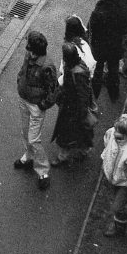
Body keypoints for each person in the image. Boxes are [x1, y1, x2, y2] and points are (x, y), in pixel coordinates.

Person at [13, 30, 58, 191]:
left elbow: (53, 90)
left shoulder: (47, 67)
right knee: (25, 133)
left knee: (33, 139)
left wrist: (42, 105)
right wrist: (20, 81)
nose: (29, 53)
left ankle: (43, 170)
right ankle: (29, 156)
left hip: (36, 106)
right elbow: (23, 70)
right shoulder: (29, 55)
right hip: (24, 100)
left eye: (32, 51)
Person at [50, 42, 95, 167]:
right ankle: (83, 150)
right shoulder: (79, 66)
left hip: (72, 109)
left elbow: (82, 95)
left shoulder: (76, 72)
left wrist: (81, 112)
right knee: (81, 132)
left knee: (66, 134)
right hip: (73, 107)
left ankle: (63, 157)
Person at [88, 0, 127, 102]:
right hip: (115, 47)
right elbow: (125, 29)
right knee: (114, 70)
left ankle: (95, 94)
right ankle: (114, 94)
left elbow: (91, 28)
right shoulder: (122, 11)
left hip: (99, 47)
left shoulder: (98, 11)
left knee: (98, 70)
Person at [58, 15, 96, 82]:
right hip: (89, 73)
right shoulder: (84, 42)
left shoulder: (69, 47)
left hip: (78, 77)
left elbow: (63, 69)